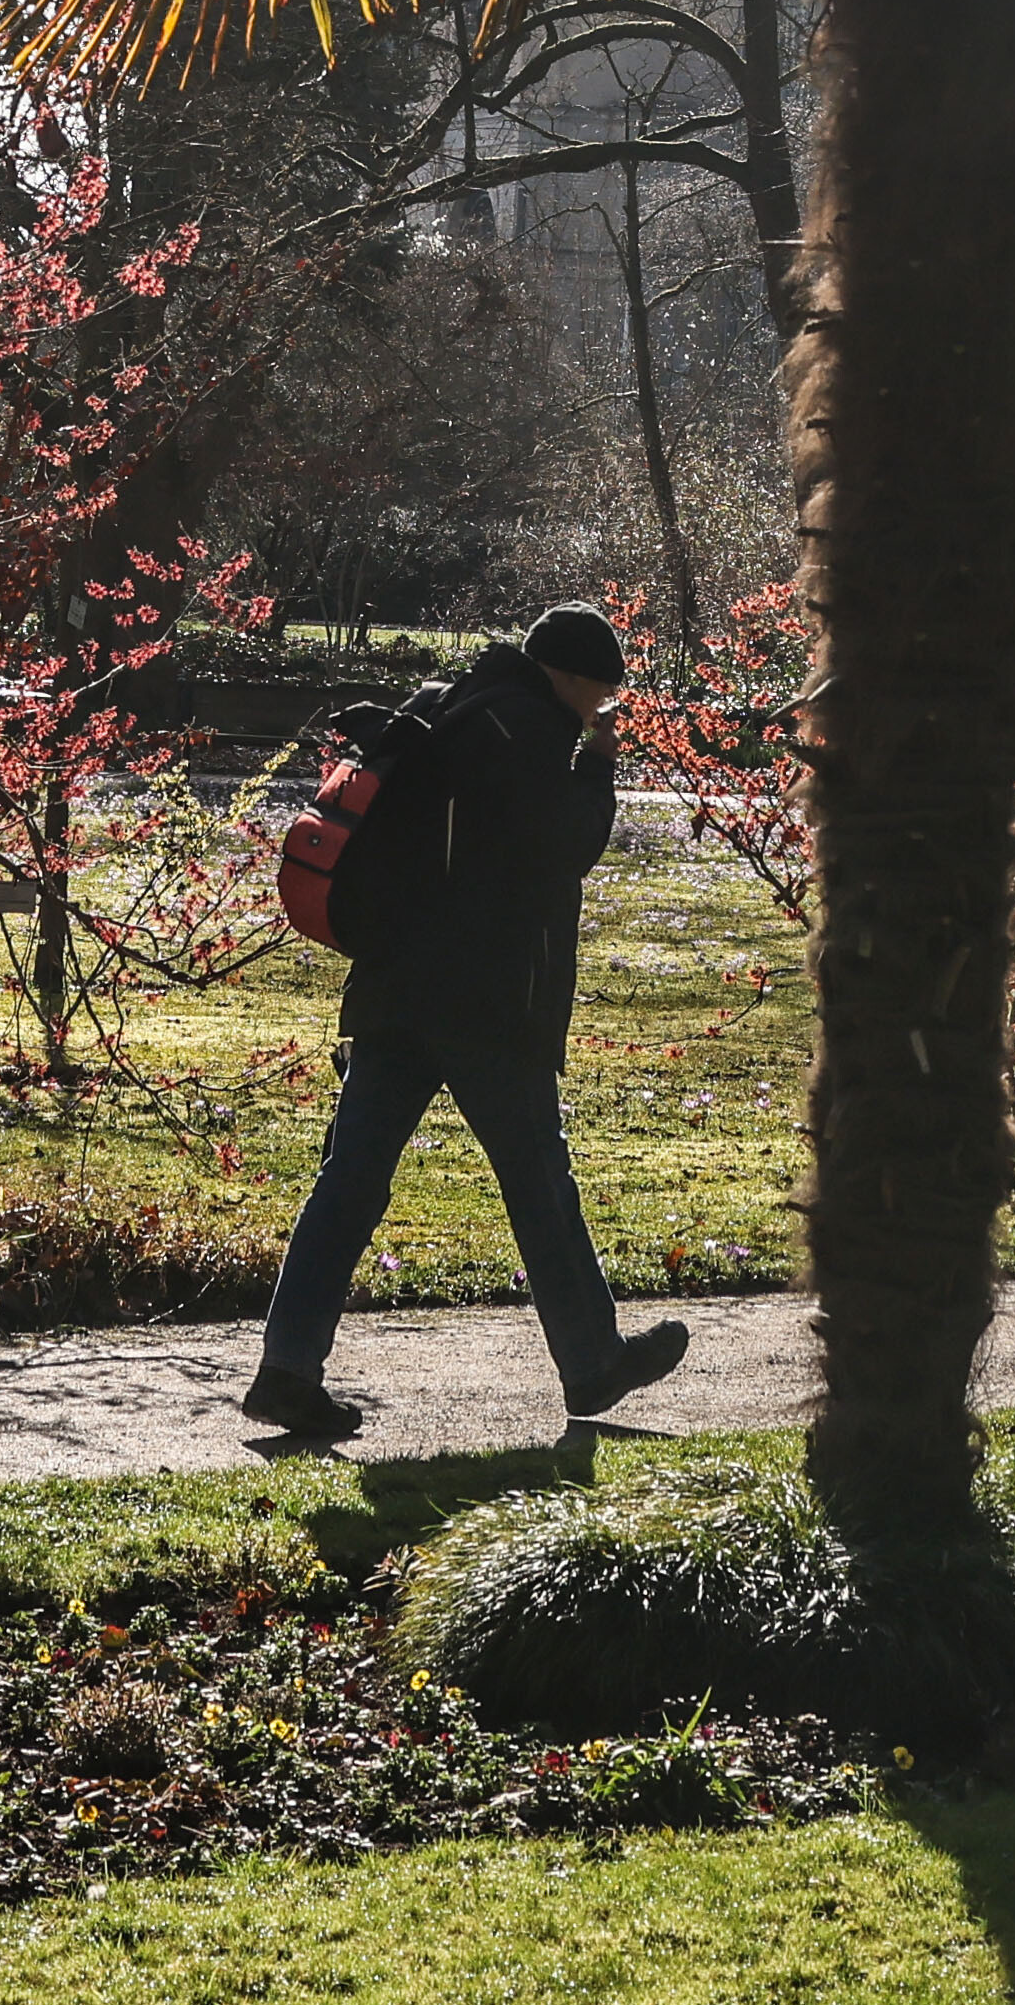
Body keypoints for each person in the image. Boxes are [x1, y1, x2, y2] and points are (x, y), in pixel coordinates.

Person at [240, 597, 693, 1443]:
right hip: (485, 1004)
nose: (599, 712)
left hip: (395, 990)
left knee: (348, 1183)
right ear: (569, 676)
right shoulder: (526, 730)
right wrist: (596, 768)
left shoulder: (453, 704)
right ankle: (592, 1358)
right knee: (538, 1184)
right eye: (598, 696)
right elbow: (564, 846)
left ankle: (287, 1368)